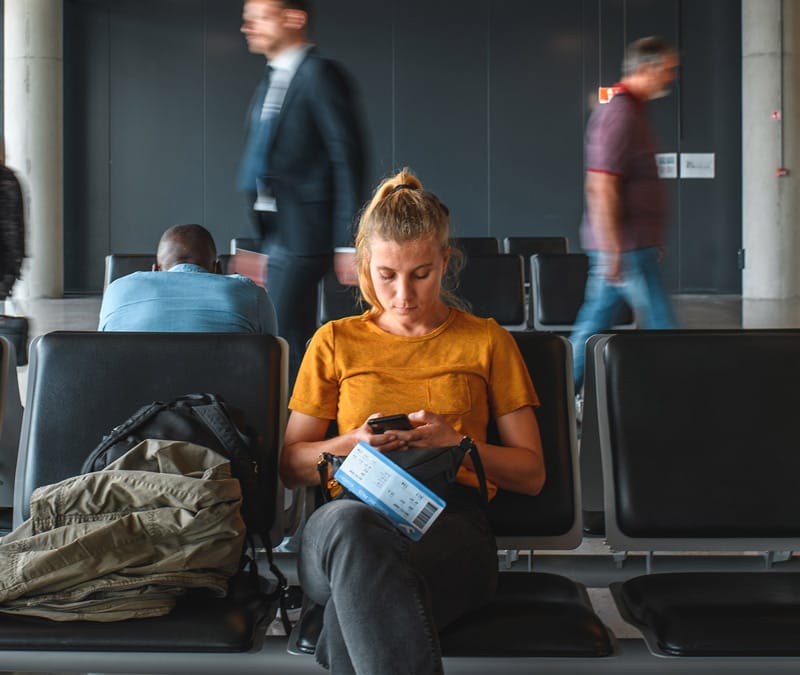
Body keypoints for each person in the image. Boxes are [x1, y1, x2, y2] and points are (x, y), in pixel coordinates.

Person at [280, 169, 546, 675]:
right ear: (365, 267)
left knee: (356, 606)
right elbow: (292, 465)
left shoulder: (487, 342)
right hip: (346, 523)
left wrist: (457, 443)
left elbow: (531, 475)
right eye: (386, 276)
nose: (403, 294)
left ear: (445, 262)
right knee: (353, 528)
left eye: (420, 273)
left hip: (450, 528)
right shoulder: (334, 341)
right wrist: (351, 444)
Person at [236, 0, 366, 389]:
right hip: (279, 234)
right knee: (284, 336)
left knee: (285, 340)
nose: (248, 27)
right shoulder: (272, 79)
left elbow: (348, 157)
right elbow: (264, 164)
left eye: (259, 17)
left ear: (294, 18)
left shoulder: (319, 75)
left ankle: (294, 432)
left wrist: (348, 241)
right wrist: (260, 244)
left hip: (306, 234)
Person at [569, 36, 680, 392]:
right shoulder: (619, 115)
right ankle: (676, 392)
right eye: (666, 70)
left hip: (633, 246)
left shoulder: (633, 112)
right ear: (646, 69)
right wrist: (615, 248)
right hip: (625, 249)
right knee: (663, 326)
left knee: (593, 323)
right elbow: (601, 186)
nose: (670, 77)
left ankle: (558, 393)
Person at [98, 223, 277, 333]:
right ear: (218, 268)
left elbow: (102, 352)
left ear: (155, 270)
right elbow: (274, 353)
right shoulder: (252, 295)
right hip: (227, 394)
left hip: (131, 393)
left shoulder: (116, 292)